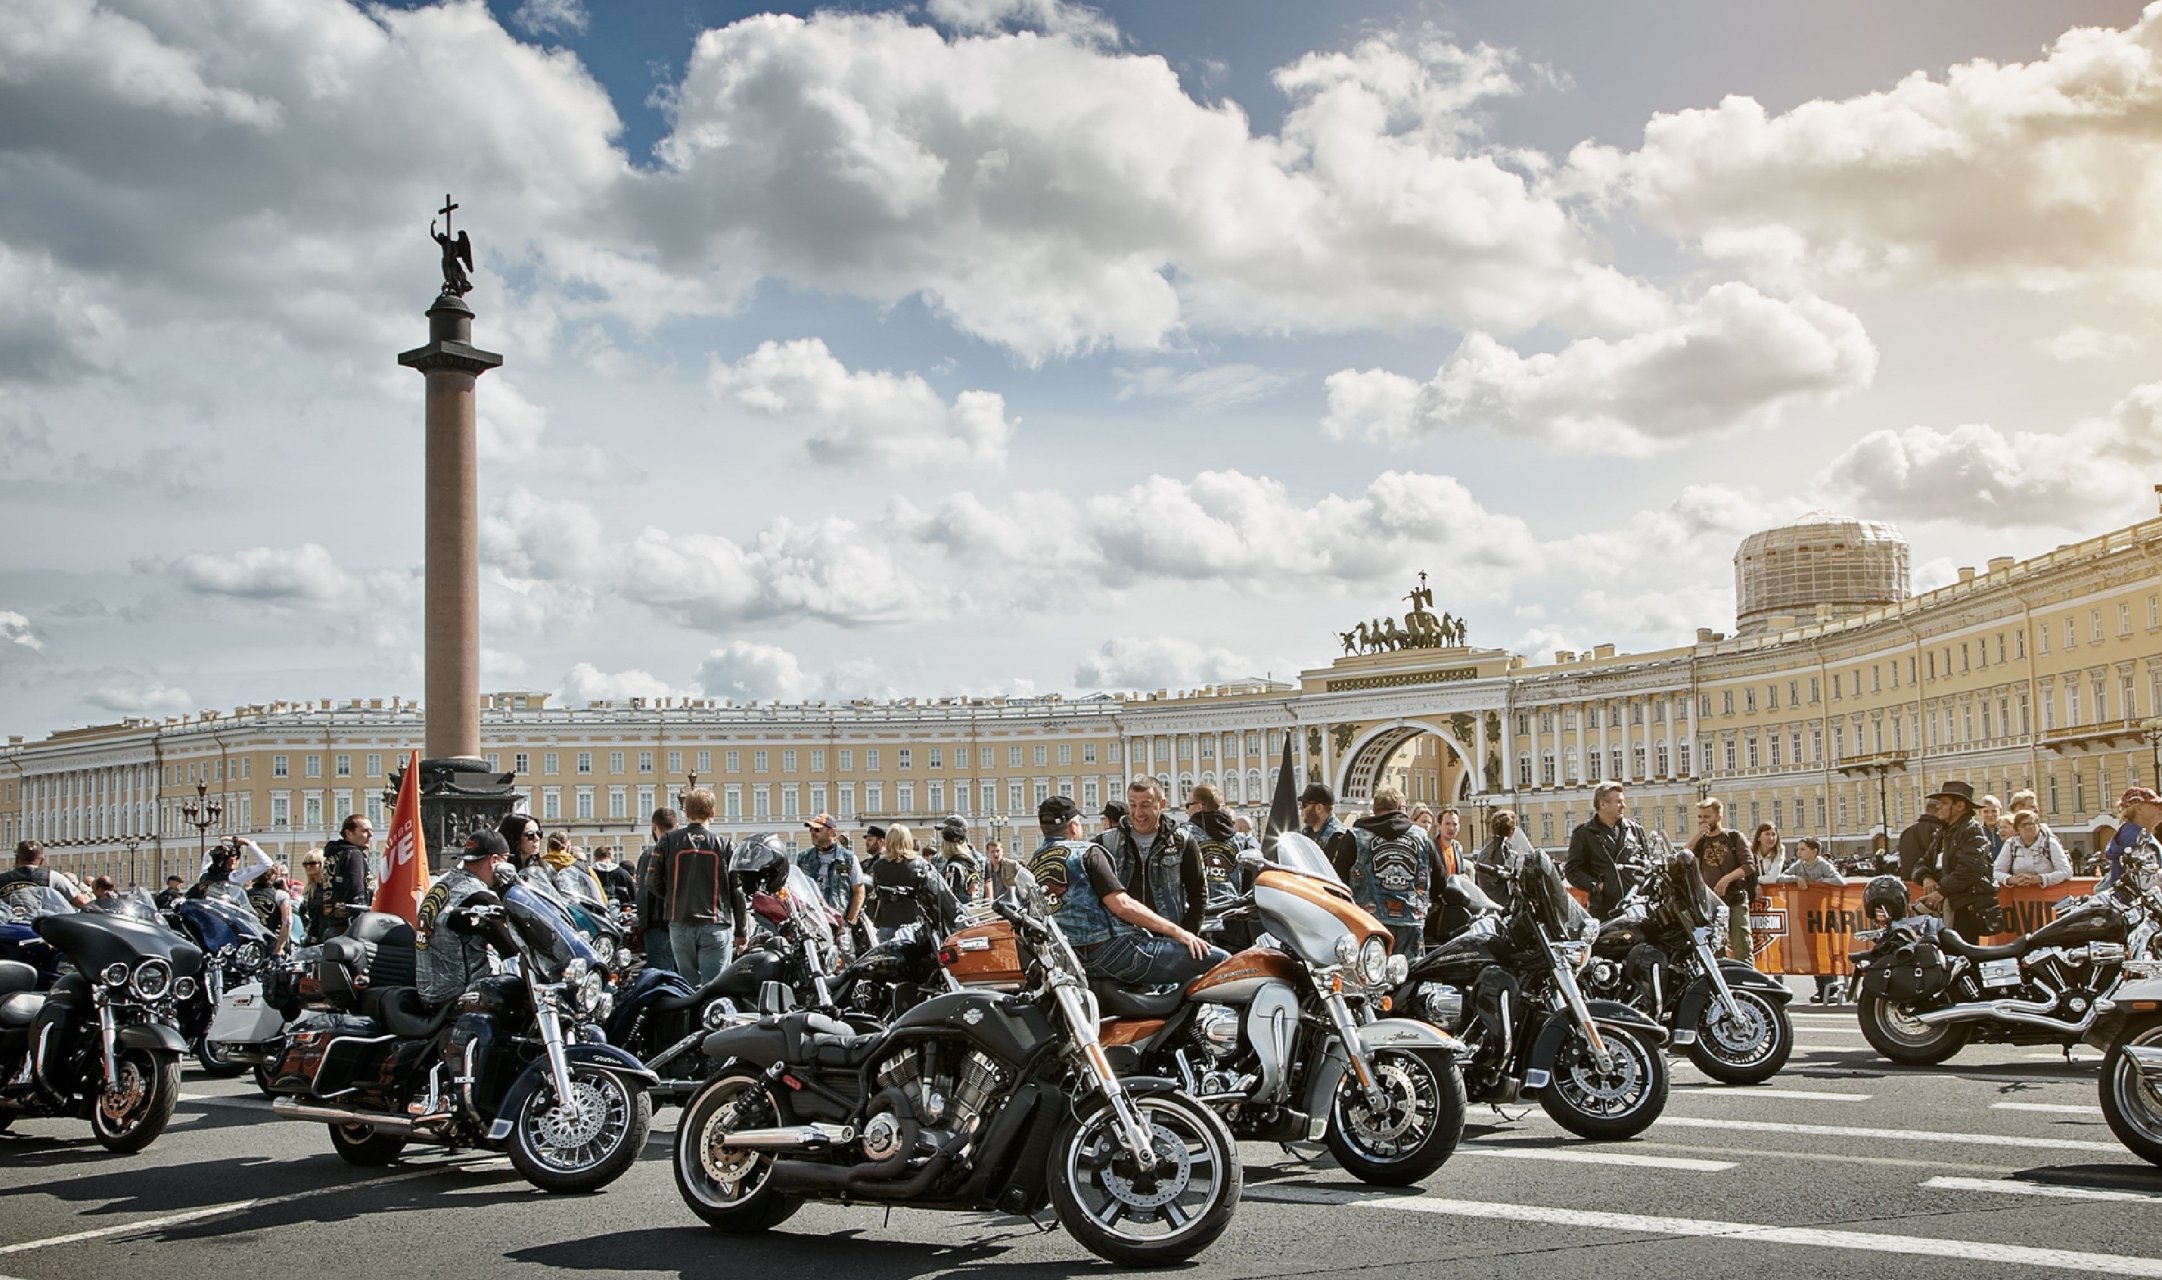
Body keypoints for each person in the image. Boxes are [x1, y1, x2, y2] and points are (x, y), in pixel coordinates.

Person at [1036, 794, 1226, 988]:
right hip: (1109, 953)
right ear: (1073, 827)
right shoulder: (1086, 853)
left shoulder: (1032, 865)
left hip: (1066, 962)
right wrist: (1178, 932)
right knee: (1222, 961)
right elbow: (1122, 905)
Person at [1334, 785, 1441, 958]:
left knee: (1370, 976)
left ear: (1375, 810)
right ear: (1401, 809)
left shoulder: (1355, 836)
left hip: (1368, 922)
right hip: (1411, 922)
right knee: (1409, 976)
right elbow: (1440, 883)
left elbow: (1338, 880)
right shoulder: (1422, 838)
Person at [649, 788, 741, 985]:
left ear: (685, 812)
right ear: (712, 812)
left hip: (680, 922)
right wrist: (742, 930)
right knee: (714, 986)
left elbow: (652, 881)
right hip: (715, 923)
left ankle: (689, 1016)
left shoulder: (668, 840)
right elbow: (736, 890)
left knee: (687, 985)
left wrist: (673, 898)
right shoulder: (724, 844)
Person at [1097, 777, 1206, 936]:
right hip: (1121, 939)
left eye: (1145, 805)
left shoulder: (1183, 841)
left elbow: (1198, 894)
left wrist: (1186, 934)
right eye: (1133, 805)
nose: (1138, 813)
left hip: (1169, 937)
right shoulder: (1105, 842)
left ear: (1161, 804)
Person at [415, 827, 511, 1007]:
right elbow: (511, 948)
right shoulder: (479, 897)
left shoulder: (443, 883)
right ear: (495, 861)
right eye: (506, 862)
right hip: (461, 997)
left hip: (429, 993)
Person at [1927, 781, 1999, 940]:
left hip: (1966, 907)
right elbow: (1923, 862)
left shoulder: (1971, 830)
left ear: (1959, 806)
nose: (1939, 807)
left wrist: (1941, 891)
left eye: (1944, 803)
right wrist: (1926, 877)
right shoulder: (1944, 832)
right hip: (1950, 904)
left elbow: (1969, 869)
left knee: (1964, 955)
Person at [1778, 837, 1845, 1003]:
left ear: (1814, 851)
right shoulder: (1798, 866)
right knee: (1812, 950)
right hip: (1804, 912)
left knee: (1825, 948)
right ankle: (1820, 987)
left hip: (1822, 913)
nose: (1799, 852)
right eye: (1798, 849)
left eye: (1803, 849)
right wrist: (1796, 879)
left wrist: (1817, 883)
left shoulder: (1822, 864)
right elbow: (1780, 877)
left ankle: (1832, 987)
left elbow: (1839, 880)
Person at [868, 822, 959, 942]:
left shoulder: (878, 866)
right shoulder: (920, 864)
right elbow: (939, 890)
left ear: (888, 841)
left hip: (887, 922)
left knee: (888, 959)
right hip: (915, 923)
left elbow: (877, 894)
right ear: (908, 840)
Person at [1568, 783, 1647, 921]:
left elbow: (1646, 863)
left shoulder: (1634, 830)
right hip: (1605, 910)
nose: (1624, 805)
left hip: (1636, 906)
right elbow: (1572, 870)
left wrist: (1642, 886)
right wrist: (1596, 885)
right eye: (1619, 802)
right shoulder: (1584, 834)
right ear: (1603, 804)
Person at [1689, 796, 1753, 960]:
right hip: (1711, 905)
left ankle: (1745, 982)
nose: (1703, 820)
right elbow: (1683, 856)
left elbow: (1748, 866)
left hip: (1734, 899)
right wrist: (1698, 835)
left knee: (1742, 947)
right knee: (1715, 951)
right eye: (1700, 817)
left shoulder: (1734, 837)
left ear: (1718, 817)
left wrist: (1726, 879)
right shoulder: (1701, 842)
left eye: (1707, 816)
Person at [1182, 784, 1243, 941]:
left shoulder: (1183, 835)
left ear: (1199, 807)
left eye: (1188, 805)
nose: (1186, 810)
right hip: (1232, 913)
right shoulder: (1239, 838)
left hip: (1197, 915)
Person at [797, 813, 868, 938]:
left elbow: (858, 891)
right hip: (810, 923)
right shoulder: (803, 858)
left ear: (832, 832)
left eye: (818, 829)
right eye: (811, 829)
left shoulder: (847, 859)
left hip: (838, 925)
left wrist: (849, 921)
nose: (813, 833)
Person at [634, 808, 679, 974]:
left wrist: (643, 922)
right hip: (684, 923)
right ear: (677, 826)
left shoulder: (649, 855)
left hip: (658, 923)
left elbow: (644, 893)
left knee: (661, 977)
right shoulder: (685, 853)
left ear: (654, 827)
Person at [321, 814, 376, 937]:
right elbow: (356, 894)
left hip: (331, 926)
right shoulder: (353, 854)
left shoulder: (335, 854)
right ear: (349, 833)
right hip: (349, 928)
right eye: (365, 831)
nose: (370, 835)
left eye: (371, 830)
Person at [2, 840, 92, 909]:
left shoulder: (2, 879)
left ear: (17, 859)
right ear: (42, 860)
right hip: (42, 928)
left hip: (8, 929)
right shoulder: (53, 877)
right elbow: (82, 901)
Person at [194, 836, 274, 911]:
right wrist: (247, 842)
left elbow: (210, 853)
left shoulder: (205, 871)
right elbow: (267, 863)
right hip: (225, 917)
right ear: (233, 860)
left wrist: (226, 845)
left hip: (205, 914)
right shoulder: (233, 877)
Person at [1995, 811, 2072, 887]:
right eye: (2023, 825)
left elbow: (2066, 872)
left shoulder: (2049, 843)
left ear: (2038, 825)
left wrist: (2039, 879)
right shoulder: (2010, 844)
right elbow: (1996, 872)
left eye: (2031, 824)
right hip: (2019, 897)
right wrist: (2011, 879)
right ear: (2017, 829)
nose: (2028, 827)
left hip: (2050, 896)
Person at [1472, 809, 1519, 906]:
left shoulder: (1485, 851)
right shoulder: (1505, 853)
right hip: (1501, 907)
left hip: (1486, 903)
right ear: (1512, 830)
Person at [1897, 797, 1947, 887]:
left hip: (1908, 886)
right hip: (1930, 886)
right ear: (1938, 810)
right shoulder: (1940, 831)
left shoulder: (1907, 832)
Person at [934, 815, 984, 904]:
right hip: (973, 910)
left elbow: (948, 899)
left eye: (945, 833)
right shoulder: (971, 862)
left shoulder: (952, 867)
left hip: (959, 914)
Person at [1297, 783, 1347, 848]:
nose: (1300, 808)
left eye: (1305, 804)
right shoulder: (1306, 832)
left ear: (1319, 808)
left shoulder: (1338, 837)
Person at [296, 853, 330, 943]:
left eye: (312, 863)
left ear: (322, 864)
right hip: (311, 935)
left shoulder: (328, 887)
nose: (308, 867)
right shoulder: (309, 888)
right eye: (305, 864)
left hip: (326, 934)